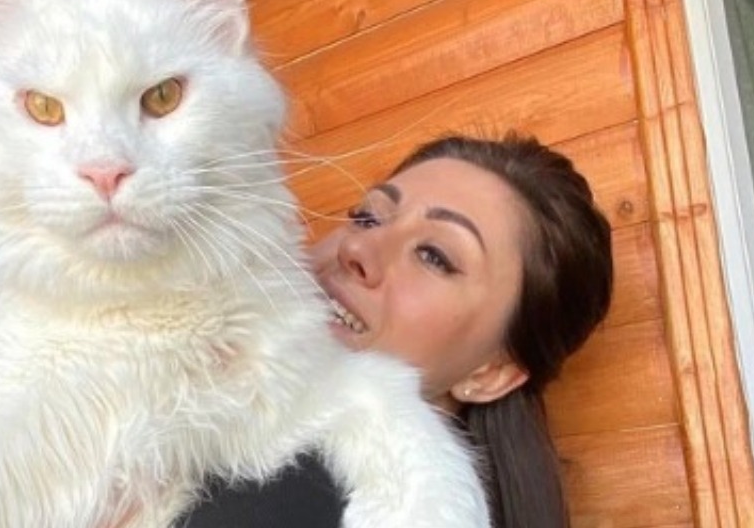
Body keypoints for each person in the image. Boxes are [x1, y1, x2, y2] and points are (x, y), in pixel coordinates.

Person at [179, 132, 615, 528]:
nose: (356, 246)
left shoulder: (293, 502)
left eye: (434, 256)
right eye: (367, 218)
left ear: (491, 374)